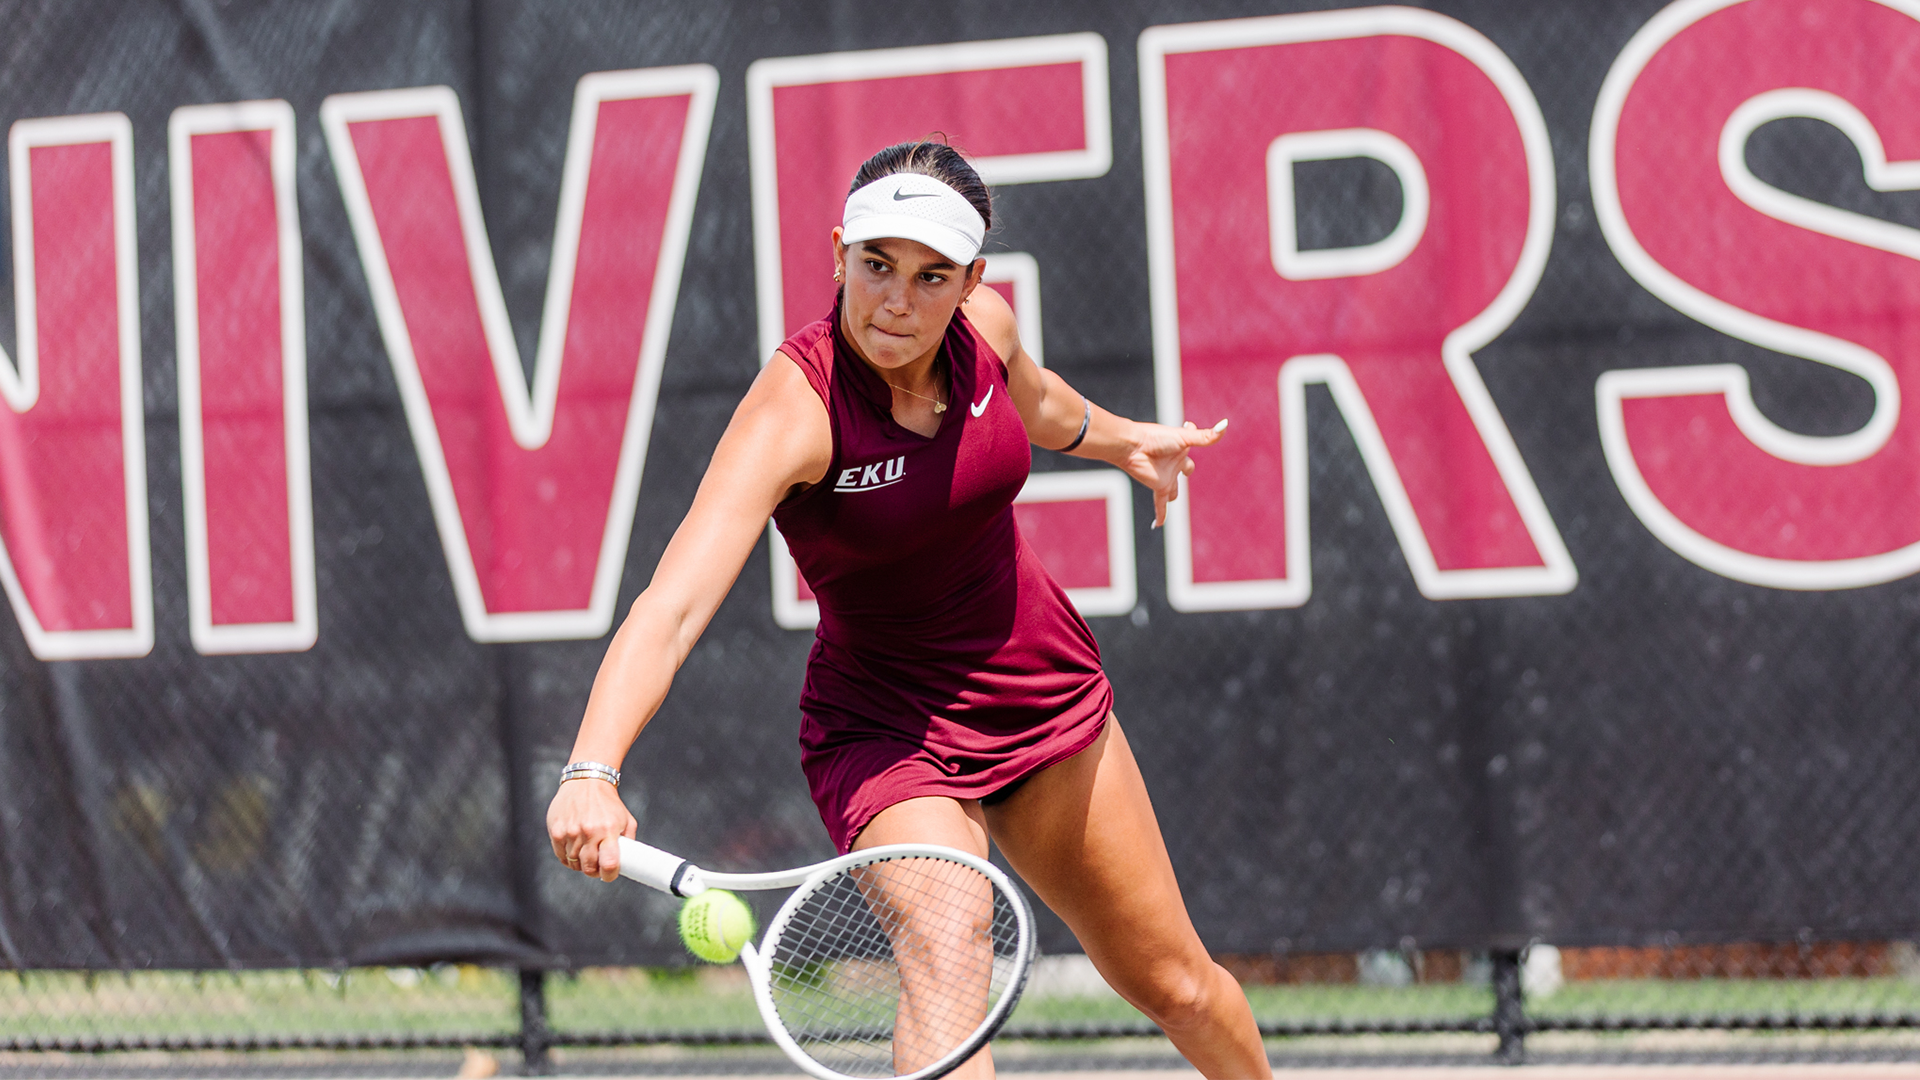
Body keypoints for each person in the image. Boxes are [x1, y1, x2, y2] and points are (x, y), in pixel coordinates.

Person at [546, 140, 1270, 1079]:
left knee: (1178, 986)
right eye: (877, 264)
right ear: (838, 251)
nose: (897, 301)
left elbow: (1040, 406)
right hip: (885, 729)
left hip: (1038, 688)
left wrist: (1128, 441)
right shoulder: (794, 410)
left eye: (932, 278)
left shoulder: (987, 333)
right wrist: (590, 768)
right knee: (949, 933)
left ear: (971, 282)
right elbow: (673, 606)